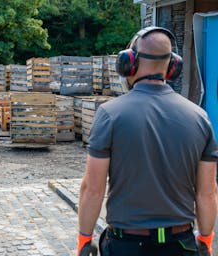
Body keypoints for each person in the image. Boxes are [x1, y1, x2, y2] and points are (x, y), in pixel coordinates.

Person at [77, 26, 217, 256]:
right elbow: (208, 192)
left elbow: (92, 189)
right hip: (180, 244)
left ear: (128, 62)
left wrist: (84, 239)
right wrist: (205, 239)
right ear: (172, 66)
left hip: (126, 246)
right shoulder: (199, 117)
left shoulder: (109, 115)